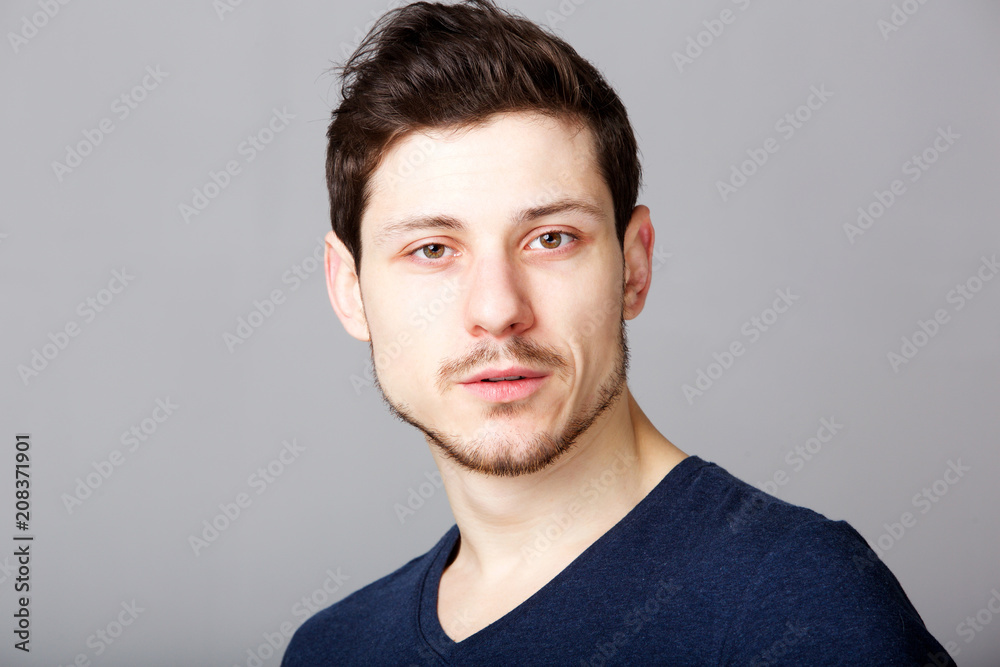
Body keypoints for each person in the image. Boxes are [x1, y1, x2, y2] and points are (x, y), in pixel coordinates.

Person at [282, 1, 955, 664]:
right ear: (350, 289)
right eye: (432, 249)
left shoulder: (802, 603)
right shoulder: (332, 646)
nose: (496, 309)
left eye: (551, 238)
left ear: (634, 267)